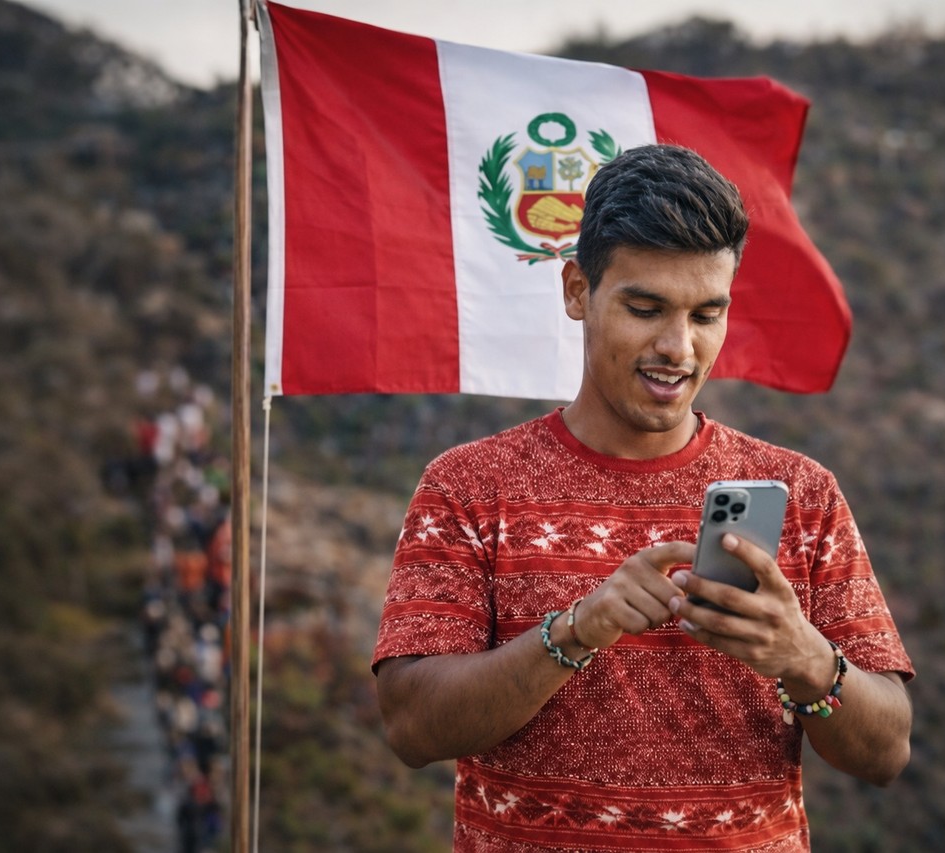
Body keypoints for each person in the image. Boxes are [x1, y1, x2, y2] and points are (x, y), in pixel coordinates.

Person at [372, 144, 914, 852]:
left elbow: (887, 750)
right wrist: (574, 631)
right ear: (577, 291)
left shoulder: (804, 496)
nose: (677, 346)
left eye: (706, 314)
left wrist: (804, 656)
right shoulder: (469, 488)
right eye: (646, 307)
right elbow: (412, 727)